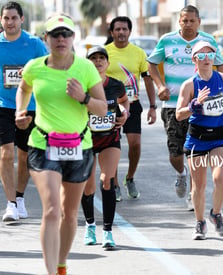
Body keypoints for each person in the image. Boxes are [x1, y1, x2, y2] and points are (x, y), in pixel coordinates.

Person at [15, 14, 107, 275]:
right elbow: (23, 88)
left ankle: (61, 263)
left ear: (73, 38)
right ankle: (51, 272)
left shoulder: (85, 68)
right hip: (43, 144)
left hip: (80, 146)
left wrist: (84, 97)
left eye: (66, 34)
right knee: (53, 209)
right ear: (46, 39)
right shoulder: (35, 66)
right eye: (55, 34)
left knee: (68, 213)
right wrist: (20, 113)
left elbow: (101, 110)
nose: (61, 39)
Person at [148, 5, 223, 210]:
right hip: (174, 105)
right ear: (179, 22)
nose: (188, 24)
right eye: (185, 20)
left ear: (199, 22)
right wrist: (160, 85)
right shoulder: (167, 40)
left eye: (192, 20)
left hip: (202, 105)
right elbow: (151, 64)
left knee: (194, 151)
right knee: (175, 151)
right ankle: (181, 174)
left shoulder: (208, 41)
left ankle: (194, 194)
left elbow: (220, 64)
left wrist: (221, 90)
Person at [176, 41, 223, 240]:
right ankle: (199, 222)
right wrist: (194, 105)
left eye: (209, 55)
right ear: (194, 59)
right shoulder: (189, 85)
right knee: (199, 185)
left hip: (220, 137)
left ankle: (216, 214)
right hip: (197, 139)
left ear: (215, 58)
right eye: (201, 56)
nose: (206, 59)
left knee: (220, 178)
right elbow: (179, 114)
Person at [0, 1, 48, 222]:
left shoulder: (34, 44)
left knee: (25, 156)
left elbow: (50, 68)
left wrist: (31, 73)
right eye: (6, 18)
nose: (10, 22)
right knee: (6, 154)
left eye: (14, 18)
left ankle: (19, 198)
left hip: (29, 107)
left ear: (21, 20)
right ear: (1, 20)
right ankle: (10, 204)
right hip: (3, 106)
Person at [81, 46, 129, 249]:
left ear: (107, 63)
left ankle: (108, 231)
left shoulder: (116, 85)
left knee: (107, 181)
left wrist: (124, 113)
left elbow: (125, 101)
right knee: (88, 185)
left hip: (110, 138)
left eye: (102, 58)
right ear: (87, 63)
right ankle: (90, 225)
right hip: (86, 141)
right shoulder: (81, 85)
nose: (98, 61)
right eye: (93, 58)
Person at [105, 16, 157, 201]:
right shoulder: (104, 53)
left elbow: (148, 79)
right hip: (110, 107)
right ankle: (115, 183)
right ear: (112, 32)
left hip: (132, 105)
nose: (121, 32)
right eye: (117, 29)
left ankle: (130, 178)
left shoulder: (139, 53)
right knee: (113, 146)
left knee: (135, 145)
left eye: (124, 29)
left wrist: (152, 106)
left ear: (129, 31)